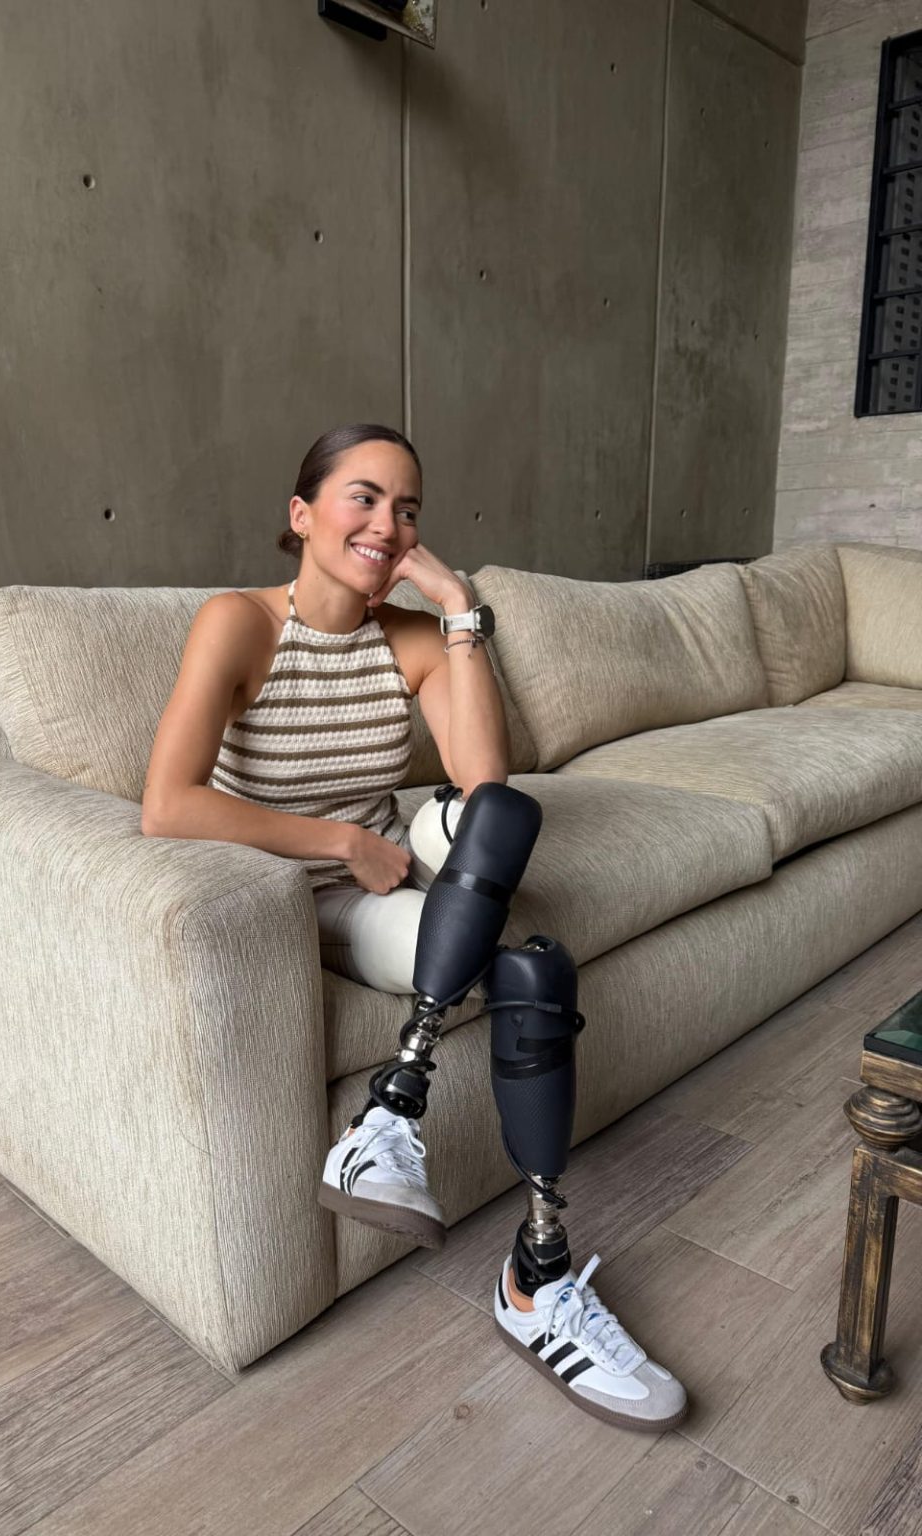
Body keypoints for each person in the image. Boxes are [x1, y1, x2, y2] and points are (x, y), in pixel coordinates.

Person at [143, 423, 687, 1431]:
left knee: (526, 928)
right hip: (312, 896)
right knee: (516, 956)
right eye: (362, 497)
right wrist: (343, 843)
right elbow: (167, 805)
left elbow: (485, 784)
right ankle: (412, 1142)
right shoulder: (237, 623)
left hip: (395, 867)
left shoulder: (411, 636)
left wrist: (459, 609)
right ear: (302, 513)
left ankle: (518, 1253)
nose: (387, 524)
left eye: (407, 508)